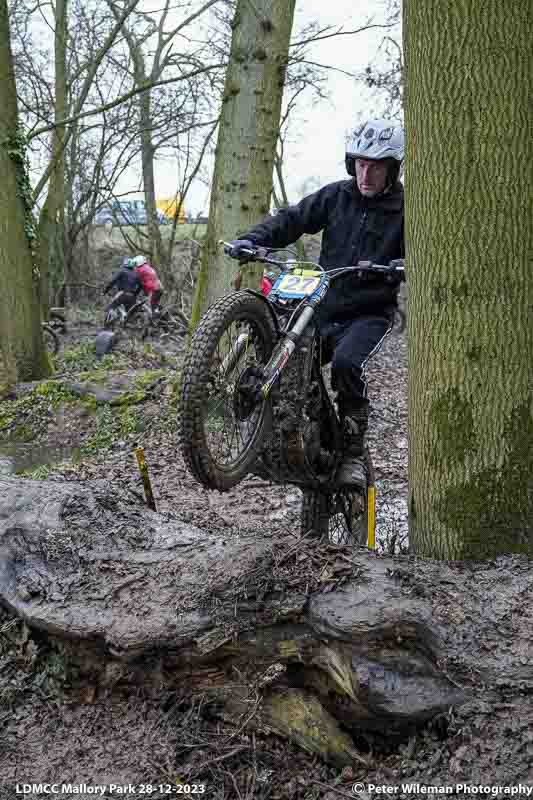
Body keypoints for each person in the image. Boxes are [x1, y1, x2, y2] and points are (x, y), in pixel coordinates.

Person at [227, 118, 404, 486]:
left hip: (369, 313)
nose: (366, 174)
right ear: (350, 163)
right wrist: (252, 240)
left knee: (345, 363)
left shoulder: (406, 210)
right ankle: (290, 434)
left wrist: (403, 266)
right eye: (360, 164)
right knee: (290, 356)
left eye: (376, 166)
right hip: (324, 306)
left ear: (392, 168)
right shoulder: (336, 196)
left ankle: (353, 453)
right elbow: (292, 219)